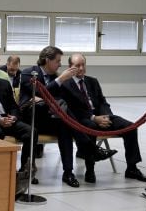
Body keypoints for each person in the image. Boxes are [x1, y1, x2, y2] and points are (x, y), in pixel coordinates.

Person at [61, 54, 146, 183]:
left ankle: (132, 168)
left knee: (130, 127)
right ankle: (90, 170)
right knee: (90, 127)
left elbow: (103, 101)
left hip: (101, 116)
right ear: (70, 67)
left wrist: (106, 116)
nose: (81, 68)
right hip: (83, 119)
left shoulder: (92, 81)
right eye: (77, 66)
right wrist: (94, 118)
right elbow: (72, 110)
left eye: (83, 65)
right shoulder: (65, 85)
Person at [19, 46, 101, 188]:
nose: (60, 64)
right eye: (57, 61)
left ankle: (68, 172)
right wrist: (59, 80)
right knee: (64, 116)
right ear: (47, 60)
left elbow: (54, 98)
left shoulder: (54, 77)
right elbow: (38, 92)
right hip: (32, 117)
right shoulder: (29, 73)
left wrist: (46, 97)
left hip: (51, 117)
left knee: (65, 126)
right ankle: (90, 147)